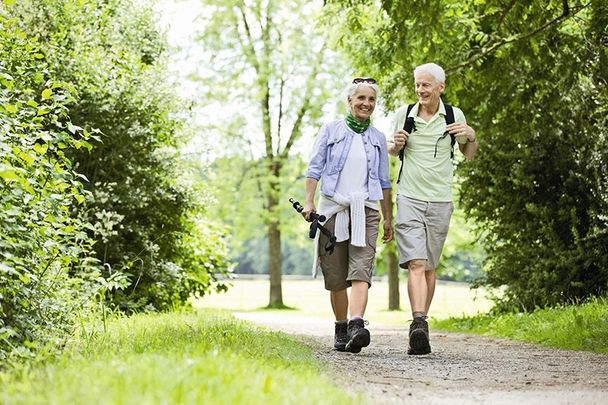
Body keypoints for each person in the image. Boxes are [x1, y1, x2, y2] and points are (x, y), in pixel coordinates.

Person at [388, 63, 477, 355]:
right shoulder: (405, 114)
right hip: (410, 197)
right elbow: (391, 149)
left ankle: (420, 325)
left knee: (428, 267)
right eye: (417, 85)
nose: (420, 90)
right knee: (415, 262)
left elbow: (469, 156)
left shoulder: (454, 115)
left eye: (426, 85)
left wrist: (472, 136)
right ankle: (418, 323)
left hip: (440, 200)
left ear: (441, 86)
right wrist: (395, 145)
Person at [303, 78, 393, 353]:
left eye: (371, 100)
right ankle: (341, 328)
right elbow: (314, 167)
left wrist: (388, 217)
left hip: (365, 210)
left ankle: (357, 324)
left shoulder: (378, 137)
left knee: (361, 271)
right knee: (337, 276)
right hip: (332, 209)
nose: (366, 104)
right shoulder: (331, 130)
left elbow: (385, 181)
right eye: (361, 99)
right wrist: (309, 202)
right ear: (349, 101)